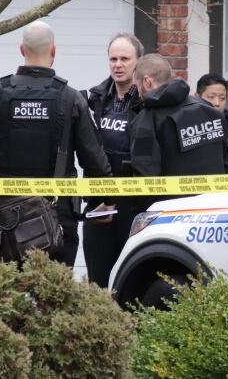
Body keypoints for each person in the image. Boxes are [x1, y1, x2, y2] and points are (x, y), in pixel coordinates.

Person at [0, 20, 111, 267]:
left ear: (21, 49)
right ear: (54, 51)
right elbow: (94, 159)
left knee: (6, 299)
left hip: (6, 217)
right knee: (52, 298)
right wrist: (103, 202)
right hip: (57, 217)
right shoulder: (70, 98)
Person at [130, 54, 228, 212]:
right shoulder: (211, 112)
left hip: (170, 218)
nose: (138, 93)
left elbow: (146, 179)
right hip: (215, 214)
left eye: (136, 86)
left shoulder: (145, 121)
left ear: (147, 82)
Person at [82, 33, 143, 288]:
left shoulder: (147, 102)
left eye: (125, 59)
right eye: (113, 59)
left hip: (133, 204)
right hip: (98, 201)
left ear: (138, 62)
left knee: (132, 279)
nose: (118, 64)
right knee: (98, 281)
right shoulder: (95, 99)